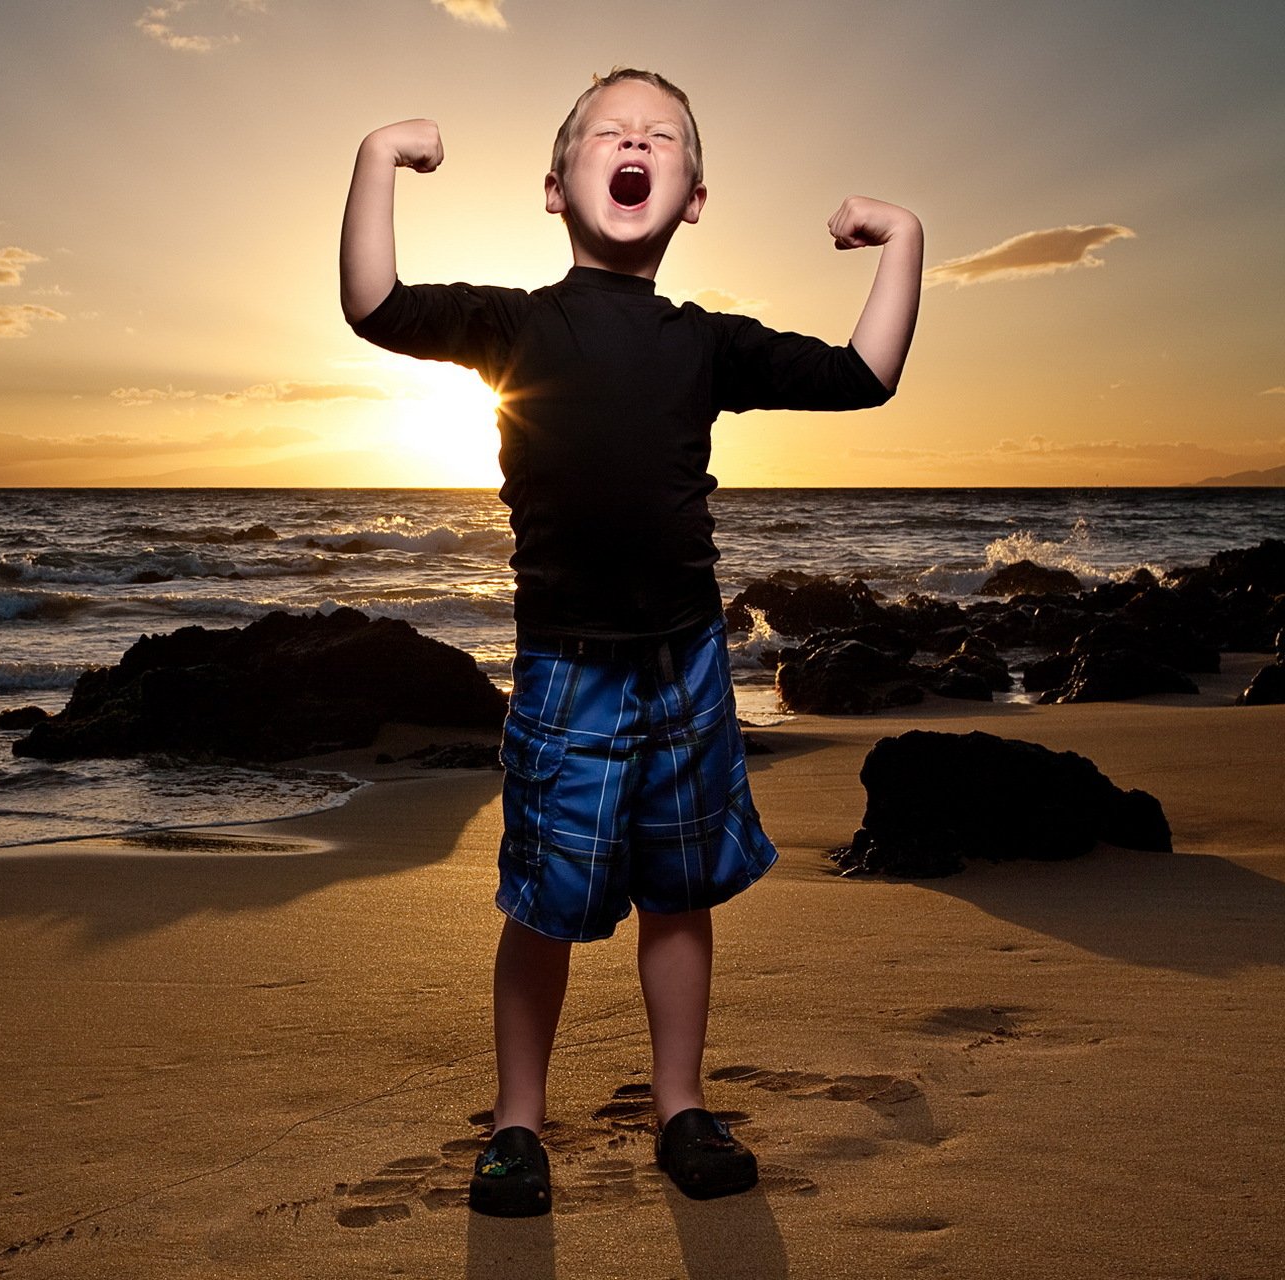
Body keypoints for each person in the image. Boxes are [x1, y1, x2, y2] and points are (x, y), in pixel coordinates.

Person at [339, 67, 921, 1214]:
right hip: (566, 663)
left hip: (688, 661)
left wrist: (902, 235)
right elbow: (374, 303)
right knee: (543, 900)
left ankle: (681, 1106)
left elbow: (866, 375)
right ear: (556, 186)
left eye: (662, 135)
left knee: (681, 889)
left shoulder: (703, 343)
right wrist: (376, 157)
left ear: (692, 196)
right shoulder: (513, 322)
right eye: (609, 130)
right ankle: (516, 1124)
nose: (636, 139)